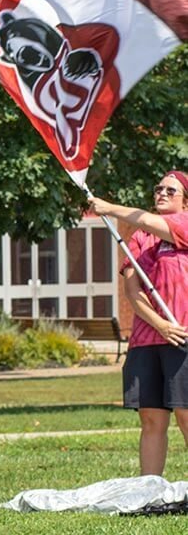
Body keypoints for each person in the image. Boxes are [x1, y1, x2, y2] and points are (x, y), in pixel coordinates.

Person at [89, 170, 188, 477]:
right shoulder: (140, 239)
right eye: (158, 188)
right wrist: (159, 323)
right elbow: (133, 290)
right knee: (151, 419)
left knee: (186, 414)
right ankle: (150, 490)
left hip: (182, 335)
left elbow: (148, 220)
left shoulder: (183, 225)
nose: (161, 193)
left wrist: (109, 207)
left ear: (185, 202)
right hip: (147, 340)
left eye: (170, 191)